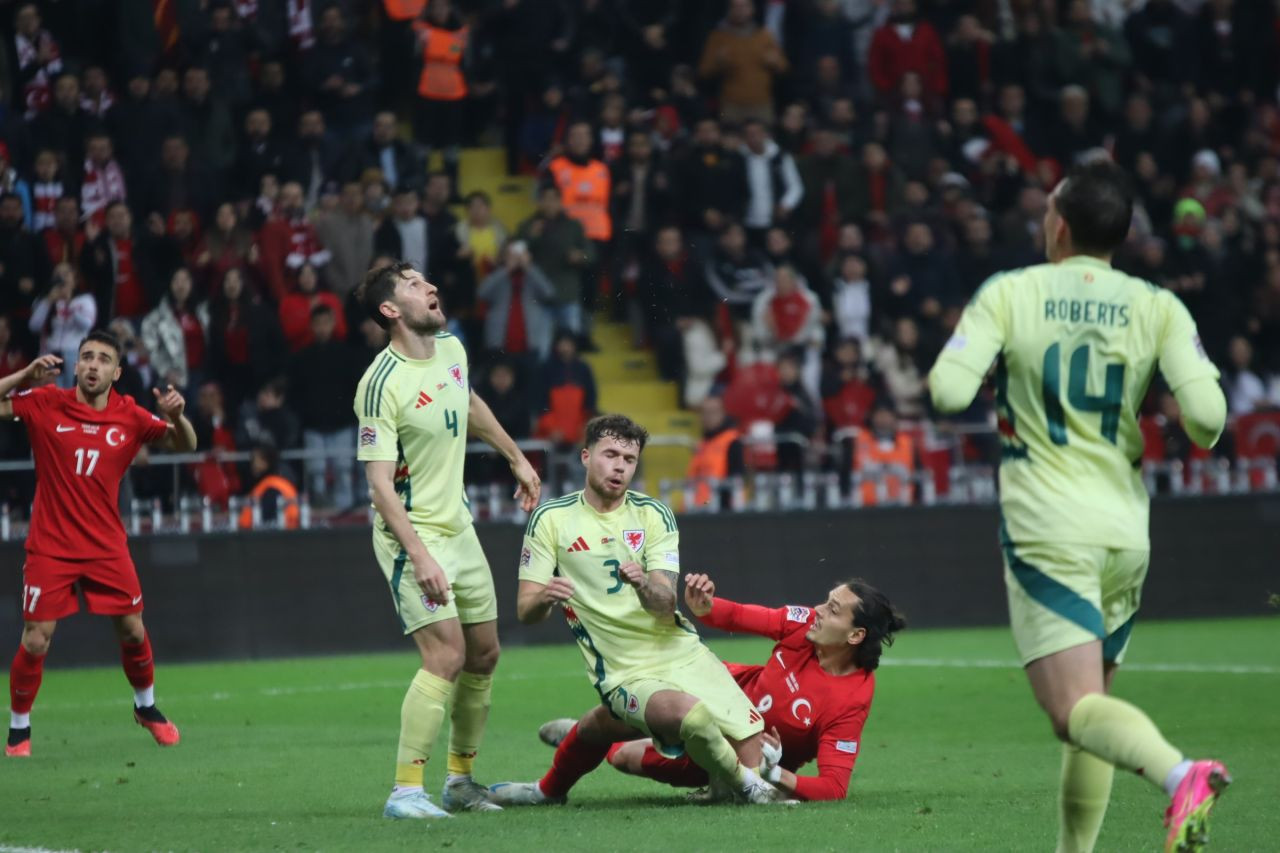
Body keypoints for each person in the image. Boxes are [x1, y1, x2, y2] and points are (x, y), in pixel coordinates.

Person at [928, 161, 1231, 853]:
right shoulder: (1158, 306)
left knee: (1073, 710)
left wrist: (984, 369)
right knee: (1090, 708)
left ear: (1058, 223)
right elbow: (1209, 419)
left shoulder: (1011, 292)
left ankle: (1182, 773)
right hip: (1126, 533)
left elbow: (949, 392)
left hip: (1049, 527)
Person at [488, 414, 780, 807]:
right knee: (690, 718)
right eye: (611, 455)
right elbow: (526, 610)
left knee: (750, 743)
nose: (620, 466)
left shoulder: (652, 515)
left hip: (678, 651)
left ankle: (549, 790)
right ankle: (749, 786)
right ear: (586, 457)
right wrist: (545, 597)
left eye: (629, 459)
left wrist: (644, 584)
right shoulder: (552, 519)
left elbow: (665, 605)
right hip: (623, 669)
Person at [352, 261, 542, 819]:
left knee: (484, 653)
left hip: (459, 528)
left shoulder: (452, 351)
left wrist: (516, 457)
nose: (431, 287)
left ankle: (460, 781)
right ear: (390, 311)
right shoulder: (380, 383)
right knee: (446, 655)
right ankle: (405, 792)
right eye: (413, 285)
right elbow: (380, 486)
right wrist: (419, 555)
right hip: (411, 535)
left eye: (426, 280)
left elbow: (469, 403)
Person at [511, 573, 905, 802]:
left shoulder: (851, 700)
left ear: (855, 636)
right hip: (719, 687)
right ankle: (580, 738)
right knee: (609, 718)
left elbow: (835, 787)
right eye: (825, 601)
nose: (818, 609)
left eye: (832, 609)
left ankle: (603, 748)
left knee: (627, 759)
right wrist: (704, 604)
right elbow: (736, 615)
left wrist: (775, 775)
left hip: (733, 757)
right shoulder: (804, 623)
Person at [3, 331, 198, 758]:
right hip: (51, 544)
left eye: (103, 359)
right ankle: (19, 729)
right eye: (86, 357)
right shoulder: (45, 402)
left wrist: (179, 416)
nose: (93, 365)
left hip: (106, 546)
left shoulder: (129, 415)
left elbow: (186, 444)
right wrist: (22, 375)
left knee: (132, 629)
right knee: (36, 639)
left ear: (117, 371)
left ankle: (146, 706)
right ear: (76, 366)